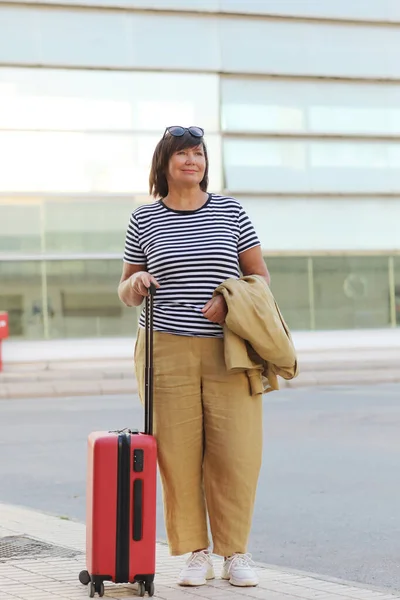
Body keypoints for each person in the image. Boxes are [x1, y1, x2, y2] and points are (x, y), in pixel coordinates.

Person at [118, 125, 270, 588]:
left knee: (236, 453)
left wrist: (231, 301)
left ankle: (235, 553)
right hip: (165, 349)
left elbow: (260, 278)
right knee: (178, 456)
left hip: (230, 349)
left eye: (198, 153)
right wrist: (137, 283)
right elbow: (124, 288)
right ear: (164, 163)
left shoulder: (231, 211)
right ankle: (195, 554)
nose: (192, 161)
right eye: (182, 154)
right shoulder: (144, 219)